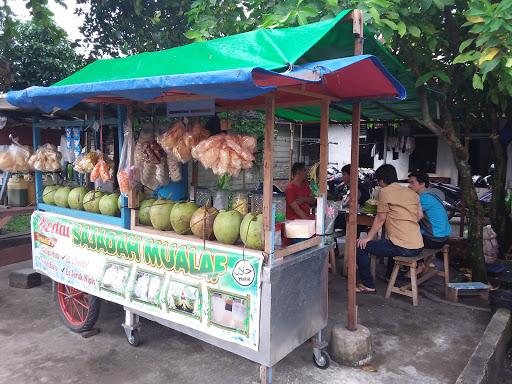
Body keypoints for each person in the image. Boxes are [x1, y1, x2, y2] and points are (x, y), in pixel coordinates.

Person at [355, 164, 424, 293]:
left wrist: (367, 238)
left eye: (378, 181)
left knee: (360, 247)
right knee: (391, 242)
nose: (379, 184)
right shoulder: (411, 192)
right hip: (418, 245)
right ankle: (388, 276)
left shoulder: (385, 192)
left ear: (381, 180)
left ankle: (368, 284)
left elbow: (381, 218)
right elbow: (419, 215)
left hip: (404, 247)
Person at [408, 171, 451, 249]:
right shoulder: (432, 195)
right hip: (443, 237)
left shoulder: (424, 198)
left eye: (412, 183)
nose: (409, 186)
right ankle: (421, 261)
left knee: (399, 240)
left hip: (434, 239)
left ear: (422, 184)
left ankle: (415, 261)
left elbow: (409, 213)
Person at [333, 164, 371, 232]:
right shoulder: (344, 187)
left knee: (332, 222)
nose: (342, 177)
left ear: (351, 175)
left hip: (358, 219)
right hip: (350, 216)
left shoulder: (359, 188)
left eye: (344, 174)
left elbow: (349, 203)